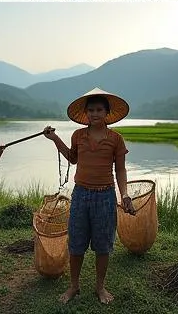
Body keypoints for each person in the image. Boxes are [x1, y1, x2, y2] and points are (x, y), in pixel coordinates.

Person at [43, 88, 135, 306]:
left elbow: (120, 170)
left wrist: (125, 195)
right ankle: (74, 286)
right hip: (81, 194)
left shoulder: (116, 139)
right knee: (76, 242)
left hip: (105, 196)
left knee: (103, 244)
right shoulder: (78, 135)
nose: (95, 114)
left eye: (99, 110)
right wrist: (55, 138)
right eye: (91, 110)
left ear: (106, 112)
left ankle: (100, 286)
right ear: (85, 114)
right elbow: (72, 158)